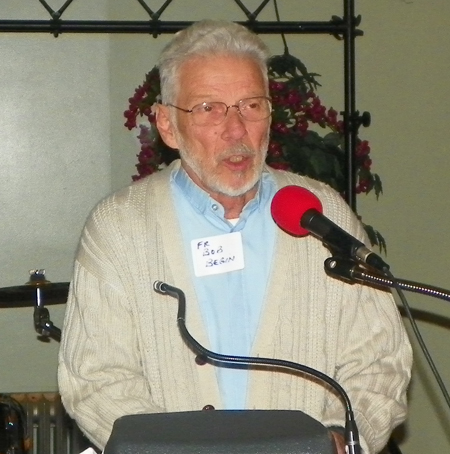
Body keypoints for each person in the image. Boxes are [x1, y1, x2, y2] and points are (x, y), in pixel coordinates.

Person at [58, 20, 412, 454]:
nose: (235, 130)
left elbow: (380, 361)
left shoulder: (322, 215)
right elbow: (96, 378)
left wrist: (341, 439)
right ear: (167, 125)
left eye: (251, 105)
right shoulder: (118, 228)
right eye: (209, 108)